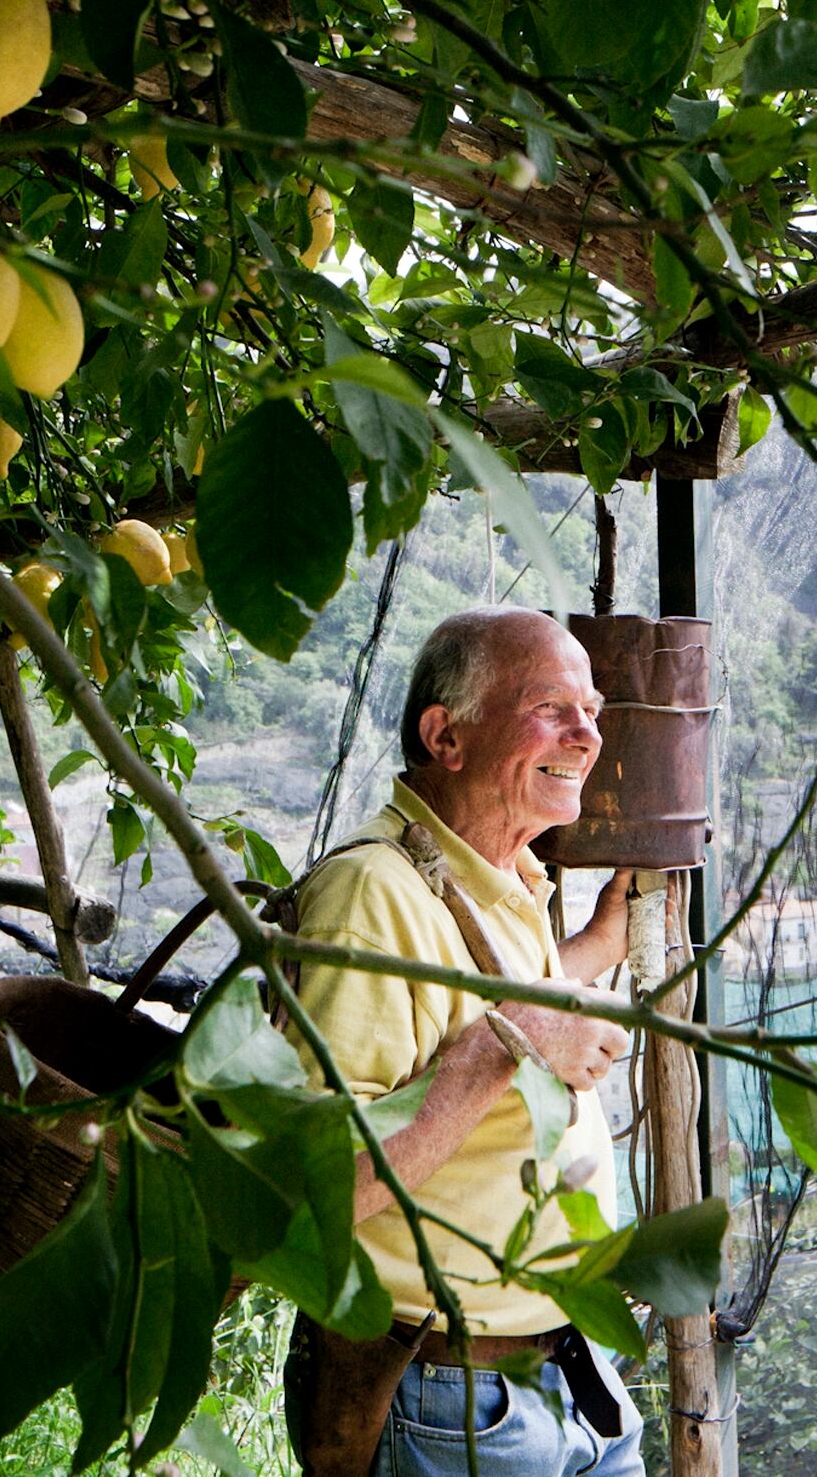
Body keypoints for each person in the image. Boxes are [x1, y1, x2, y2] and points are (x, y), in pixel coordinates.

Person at [284, 605, 643, 1477]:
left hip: (569, 1375)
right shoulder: (370, 896)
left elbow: (456, 1006)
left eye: (592, 711)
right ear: (446, 737)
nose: (587, 736)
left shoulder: (491, 874)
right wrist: (508, 1044)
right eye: (551, 708)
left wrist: (596, 947)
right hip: (451, 1400)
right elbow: (314, 1195)